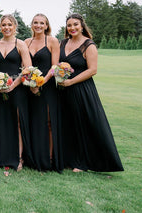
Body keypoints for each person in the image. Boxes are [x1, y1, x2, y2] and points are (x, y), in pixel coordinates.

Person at [58, 13, 123, 172]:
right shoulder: (63, 42)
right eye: (69, 25)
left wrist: (71, 82)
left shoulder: (89, 45)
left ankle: (82, 162)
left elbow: (93, 70)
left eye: (75, 25)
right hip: (62, 90)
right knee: (67, 124)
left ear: (82, 26)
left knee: (83, 124)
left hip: (81, 89)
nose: (72, 28)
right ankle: (68, 158)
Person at [0, 14, 32, 171]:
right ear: (0, 27)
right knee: (1, 121)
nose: (6, 27)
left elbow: (27, 68)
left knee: (17, 123)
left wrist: (13, 85)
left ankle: (19, 158)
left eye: (9, 25)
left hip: (17, 88)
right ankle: (1, 157)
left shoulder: (20, 44)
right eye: (3, 25)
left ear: (15, 27)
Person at [24, 14, 62, 172]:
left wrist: (41, 82)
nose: (38, 25)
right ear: (31, 24)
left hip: (47, 86)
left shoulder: (52, 41)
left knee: (48, 122)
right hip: (30, 87)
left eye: (42, 23)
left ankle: (50, 159)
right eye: (35, 22)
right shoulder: (26, 42)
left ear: (46, 26)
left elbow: (55, 67)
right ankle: (33, 158)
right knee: (34, 121)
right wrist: (31, 83)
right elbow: (25, 66)